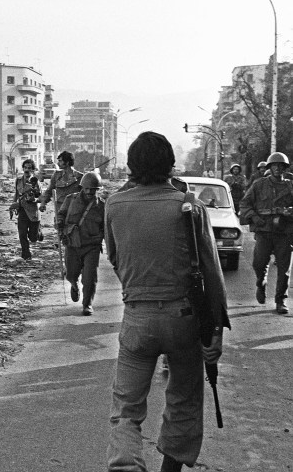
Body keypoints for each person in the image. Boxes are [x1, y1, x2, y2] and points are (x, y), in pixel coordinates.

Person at [105, 132, 229, 472]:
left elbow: (115, 258)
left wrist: (139, 287)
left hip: (137, 318)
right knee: (184, 400)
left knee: (126, 409)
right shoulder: (190, 206)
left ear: (131, 167)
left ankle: (126, 465)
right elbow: (212, 274)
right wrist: (215, 330)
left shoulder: (114, 205)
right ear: (169, 166)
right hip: (184, 318)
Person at [239, 152, 293, 315]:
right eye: (274, 165)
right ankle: (260, 282)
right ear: (269, 167)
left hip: (284, 232)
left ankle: (280, 300)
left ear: (285, 168)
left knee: (284, 269)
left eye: (281, 166)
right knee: (259, 263)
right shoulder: (258, 185)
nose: (277, 168)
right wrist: (255, 217)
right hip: (264, 231)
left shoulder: (291, 186)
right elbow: (244, 204)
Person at [56, 171, 105, 315]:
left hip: (92, 246)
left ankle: (87, 304)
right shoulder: (70, 200)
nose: (90, 192)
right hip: (72, 244)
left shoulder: (102, 206)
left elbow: (106, 228)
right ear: (82, 187)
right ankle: (73, 283)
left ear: (97, 190)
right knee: (71, 273)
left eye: (93, 189)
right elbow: (61, 214)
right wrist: (59, 223)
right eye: (87, 188)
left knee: (90, 277)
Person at [10, 159, 42, 260]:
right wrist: (13, 205)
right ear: (23, 169)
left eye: (29, 168)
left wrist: (34, 199)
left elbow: (41, 198)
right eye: (25, 168)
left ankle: (39, 232)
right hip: (22, 209)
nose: (27, 170)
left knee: (33, 238)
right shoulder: (18, 180)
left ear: (33, 170)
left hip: (33, 211)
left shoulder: (36, 182)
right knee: (22, 233)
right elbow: (16, 193)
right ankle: (26, 254)